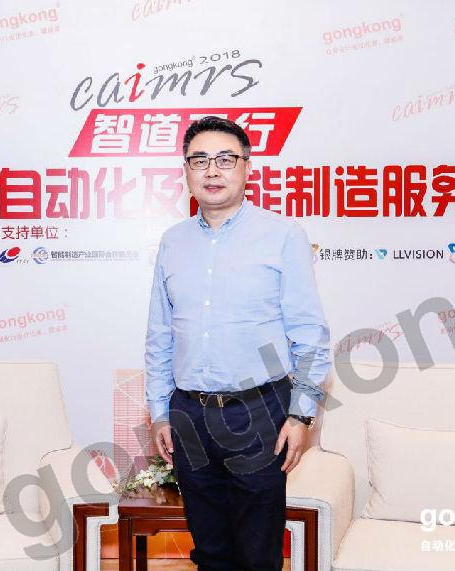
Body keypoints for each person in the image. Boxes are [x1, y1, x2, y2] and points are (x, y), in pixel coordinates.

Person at [144, 116, 332, 570]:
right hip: (188, 413)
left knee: (257, 552)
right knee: (208, 550)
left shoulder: (283, 235)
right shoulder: (172, 242)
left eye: (225, 159)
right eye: (199, 160)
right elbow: (160, 335)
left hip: (260, 412)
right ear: (186, 171)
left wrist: (301, 414)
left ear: (248, 167)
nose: (212, 171)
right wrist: (159, 412)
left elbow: (310, 334)